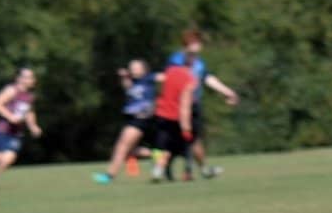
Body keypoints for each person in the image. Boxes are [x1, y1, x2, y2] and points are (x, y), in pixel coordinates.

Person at [176, 29, 240, 178]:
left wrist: (227, 92)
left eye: (199, 42)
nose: (199, 45)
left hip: (194, 104)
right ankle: (177, 169)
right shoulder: (177, 59)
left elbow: (208, 79)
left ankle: (199, 169)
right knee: (178, 138)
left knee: (194, 138)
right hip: (179, 105)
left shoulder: (199, 63)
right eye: (195, 42)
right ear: (187, 44)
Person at [98, 59, 156, 182]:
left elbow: (164, 77)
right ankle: (157, 154)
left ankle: (109, 176)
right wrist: (124, 77)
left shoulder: (148, 79)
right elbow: (127, 87)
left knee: (121, 146)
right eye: (131, 67)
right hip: (131, 118)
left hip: (140, 119)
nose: (133, 69)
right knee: (130, 151)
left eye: (136, 67)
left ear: (143, 69)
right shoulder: (132, 82)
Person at [148, 52, 199, 181]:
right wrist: (186, 127)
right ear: (193, 64)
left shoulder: (169, 72)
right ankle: (187, 172)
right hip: (176, 118)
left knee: (160, 145)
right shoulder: (190, 79)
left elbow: (158, 85)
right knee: (182, 148)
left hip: (161, 114)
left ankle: (157, 169)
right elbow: (185, 104)